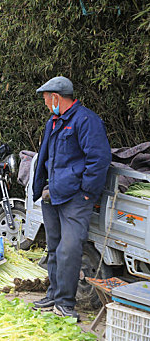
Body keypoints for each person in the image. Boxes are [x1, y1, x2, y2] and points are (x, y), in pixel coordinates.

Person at [32, 76, 111, 320]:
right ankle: (54, 294)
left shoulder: (86, 120)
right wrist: (43, 187)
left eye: (46, 99)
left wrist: (86, 192)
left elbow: (99, 159)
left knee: (69, 249)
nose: (45, 103)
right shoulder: (53, 122)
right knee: (54, 248)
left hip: (75, 199)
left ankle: (66, 303)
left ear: (56, 97)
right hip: (53, 196)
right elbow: (48, 158)